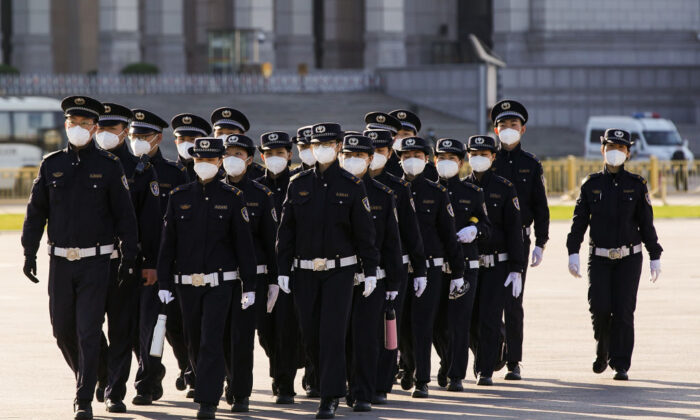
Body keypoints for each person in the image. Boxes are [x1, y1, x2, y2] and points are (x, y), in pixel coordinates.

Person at [21, 95, 138, 420]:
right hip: (60, 262)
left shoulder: (109, 167)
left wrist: (129, 254)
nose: (79, 128)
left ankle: (83, 397)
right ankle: (94, 374)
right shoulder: (51, 164)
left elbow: (124, 216)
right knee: (63, 331)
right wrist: (29, 250)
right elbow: (35, 213)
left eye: (86, 124)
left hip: (96, 262)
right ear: (66, 125)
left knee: (89, 330)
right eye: (74, 123)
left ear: (95, 127)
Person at [276, 122, 380, 419]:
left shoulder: (352, 185)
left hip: (340, 272)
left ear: (337, 147)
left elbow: (365, 233)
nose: (321, 149)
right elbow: (287, 231)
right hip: (304, 271)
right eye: (316, 144)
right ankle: (328, 383)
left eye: (328, 144)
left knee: (332, 334)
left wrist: (370, 269)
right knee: (310, 335)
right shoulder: (298, 183)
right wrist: (283, 268)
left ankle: (330, 396)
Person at [157, 137, 256, 419]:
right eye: (199, 160)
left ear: (219, 162)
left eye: (210, 160)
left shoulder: (232, 198)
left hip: (220, 284)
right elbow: (168, 245)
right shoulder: (179, 197)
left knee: (211, 339)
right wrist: (164, 282)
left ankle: (207, 401)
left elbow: (244, 247)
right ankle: (207, 384)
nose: (204, 165)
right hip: (187, 284)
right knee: (193, 339)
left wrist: (249, 285)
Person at [566, 128, 662, 381]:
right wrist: (572, 252)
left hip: (629, 258)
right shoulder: (591, 184)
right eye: (610, 147)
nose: (615, 152)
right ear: (602, 150)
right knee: (599, 307)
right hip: (598, 257)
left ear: (628, 152)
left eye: (620, 148)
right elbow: (579, 222)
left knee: (623, 310)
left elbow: (646, 223)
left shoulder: (637, 185)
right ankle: (603, 345)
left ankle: (620, 363)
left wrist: (655, 255)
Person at [94, 103, 161, 413]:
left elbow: (149, 221)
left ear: (123, 131)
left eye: (113, 129)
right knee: (79, 328)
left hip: (128, 261)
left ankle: (119, 388)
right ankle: (102, 372)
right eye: (102, 128)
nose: (106, 134)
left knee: (127, 328)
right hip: (88, 261)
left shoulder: (140, 169)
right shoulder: (82, 163)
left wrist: (149, 263)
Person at [394, 136, 465, 398]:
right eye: (406, 155)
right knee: (401, 326)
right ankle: (408, 368)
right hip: (401, 268)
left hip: (432, 269)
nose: (412, 160)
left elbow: (449, 235)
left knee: (423, 324)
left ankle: (423, 379)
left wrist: (458, 272)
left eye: (418, 155)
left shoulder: (437, 193)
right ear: (399, 159)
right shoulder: (391, 190)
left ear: (427, 159)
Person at [338, 134, 402, 412]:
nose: (353, 161)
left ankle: (363, 391)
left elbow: (391, 241)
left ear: (369, 160)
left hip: (371, 278)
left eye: (359, 156)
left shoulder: (382, 195)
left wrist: (393, 280)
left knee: (365, 336)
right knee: (338, 335)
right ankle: (343, 385)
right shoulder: (329, 190)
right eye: (347, 155)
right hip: (336, 276)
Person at [363, 128, 426, 403]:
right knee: (362, 330)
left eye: (381, 150)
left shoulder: (397, 188)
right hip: (360, 269)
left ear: (389, 153)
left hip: (392, 269)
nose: (376, 156)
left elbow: (412, 233)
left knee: (389, 328)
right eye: (371, 150)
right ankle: (360, 380)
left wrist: (420, 270)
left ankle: (382, 384)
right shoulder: (352, 184)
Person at [490, 99, 550, 380]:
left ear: (523, 129)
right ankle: (490, 354)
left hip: (520, 241)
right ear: (495, 129)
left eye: (513, 125)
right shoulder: (487, 160)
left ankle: (514, 361)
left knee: (513, 301)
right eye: (503, 125)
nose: (508, 129)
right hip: (489, 239)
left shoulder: (531, 164)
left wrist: (541, 241)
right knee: (489, 301)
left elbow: (541, 206)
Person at [220, 133, 277, 412]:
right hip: (218, 276)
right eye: (227, 154)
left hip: (251, 278)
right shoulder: (212, 191)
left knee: (242, 337)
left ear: (250, 160)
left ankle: (241, 392)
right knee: (217, 336)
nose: (232, 159)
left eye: (238, 155)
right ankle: (228, 379)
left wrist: (274, 281)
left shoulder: (261, 195)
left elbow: (271, 241)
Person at [464, 134, 525, 386]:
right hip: (469, 264)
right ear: (468, 156)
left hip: (497, 263)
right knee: (470, 319)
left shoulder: (504, 187)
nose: (479, 158)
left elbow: (514, 230)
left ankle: (485, 369)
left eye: (484, 154)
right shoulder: (460, 188)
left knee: (489, 317)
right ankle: (486, 355)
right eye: (474, 154)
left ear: (493, 157)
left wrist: (516, 267)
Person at [432, 138, 491, 391]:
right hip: (435, 267)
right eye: (441, 158)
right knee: (436, 324)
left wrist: (475, 229)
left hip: (466, 266)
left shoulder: (473, 192)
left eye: (452, 159)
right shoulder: (427, 191)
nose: (446, 163)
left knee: (459, 322)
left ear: (461, 162)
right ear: (434, 161)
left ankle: (456, 375)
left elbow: (488, 227)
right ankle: (446, 362)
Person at [255, 131, 303, 404]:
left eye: (280, 153)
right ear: (262, 157)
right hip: (262, 270)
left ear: (289, 155)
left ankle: (284, 383)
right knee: (265, 330)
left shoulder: (298, 184)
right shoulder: (254, 187)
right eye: (269, 153)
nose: (275, 158)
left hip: (289, 269)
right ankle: (279, 370)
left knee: (287, 327)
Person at [382, 109, 439, 181]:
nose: (400, 138)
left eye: (406, 134)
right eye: (395, 134)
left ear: (415, 136)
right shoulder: (380, 166)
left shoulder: (430, 170)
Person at [210, 107, 265, 180]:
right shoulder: (207, 168)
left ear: (242, 135)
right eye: (220, 133)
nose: (224, 137)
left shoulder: (257, 173)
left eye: (231, 133)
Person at [171, 113, 212, 180]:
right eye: (182, 139)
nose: (186, 143)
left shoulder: (212, 173)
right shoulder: (167, 171)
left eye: (192, 139)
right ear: (176, 142)